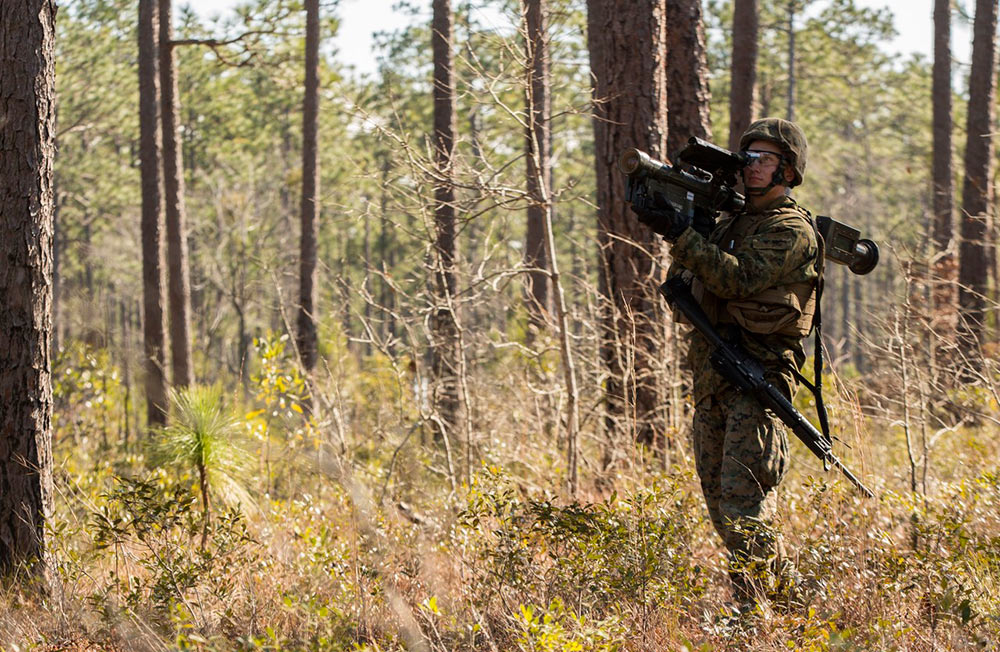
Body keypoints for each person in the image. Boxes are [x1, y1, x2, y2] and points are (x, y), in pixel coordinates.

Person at [639, 118, 821, 613]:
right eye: (750, 157)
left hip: (756, 382)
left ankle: (757, 619)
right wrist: (684, 226)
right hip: (713, 381)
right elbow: (684, 284)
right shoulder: (729, 223)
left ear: (788, 169)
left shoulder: (792, 229)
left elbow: (738, 281)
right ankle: (785, 606)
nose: (752, 167)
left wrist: (686, 236)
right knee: (722, 509)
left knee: (744, 508)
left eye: (765, 159)